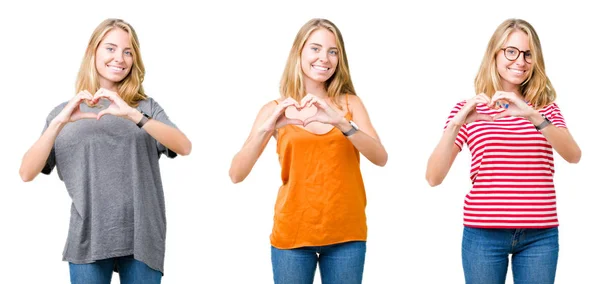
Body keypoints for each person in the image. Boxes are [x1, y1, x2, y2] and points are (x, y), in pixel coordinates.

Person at [18, 18, 192, 284]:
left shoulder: (145, 107)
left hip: (142, 236)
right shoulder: (64, 113)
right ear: (94, 51)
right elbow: (26, 173)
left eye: (128, 51)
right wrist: (58, 123)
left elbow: (183, 146)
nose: (119, 58)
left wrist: (135, 115)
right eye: (110, 48)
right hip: (88, 237)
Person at [229, 18, 387, 284]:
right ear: (298, 52)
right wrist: (266, 130)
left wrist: (341, 123)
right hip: (292, 234)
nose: (324, 58)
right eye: (315, 48)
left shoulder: (350, 104)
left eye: (332, 51)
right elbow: (236, 174)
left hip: (347, 235)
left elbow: (380, 157)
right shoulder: (274, 109)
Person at [425, 18, 581, 284]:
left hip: (540, 236)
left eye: (527, 54)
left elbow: (573, 155)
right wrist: (456, 123)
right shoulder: (471, 110)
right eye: (511, 51)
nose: (519, 61)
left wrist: (533, 116)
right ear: (494, 54)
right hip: (483, 235)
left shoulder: (545, 109)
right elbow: (433, 177)